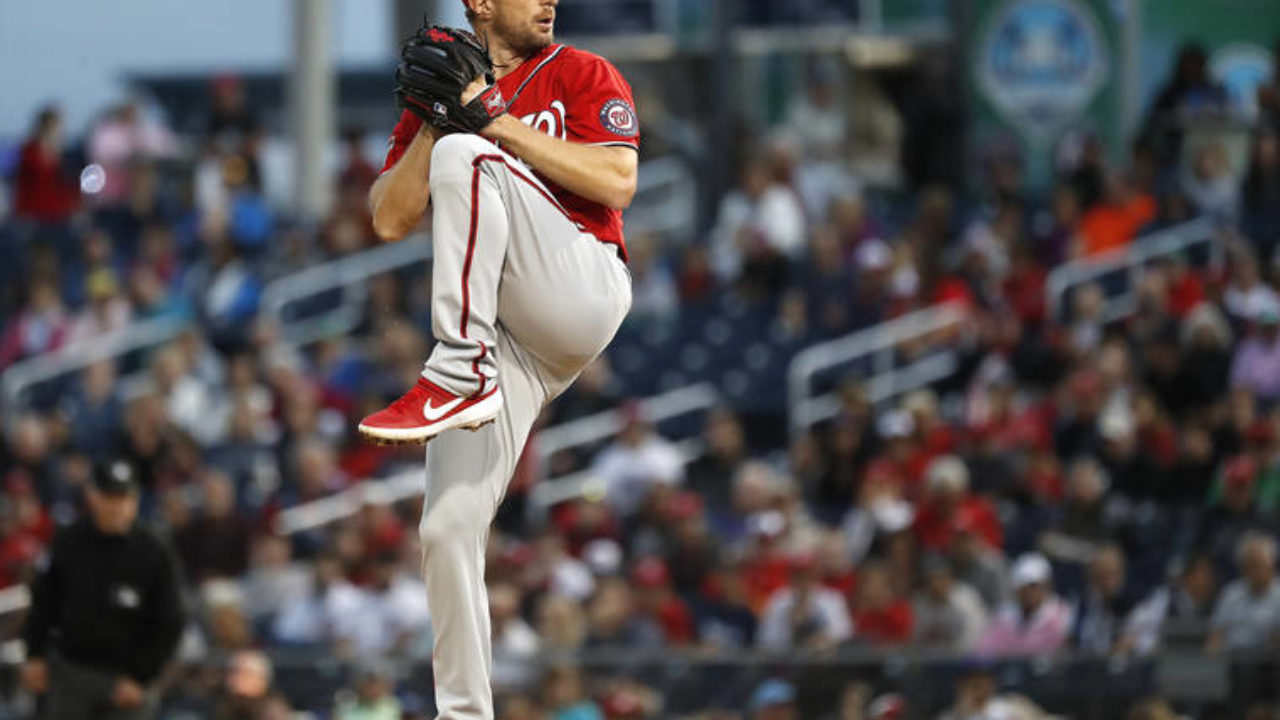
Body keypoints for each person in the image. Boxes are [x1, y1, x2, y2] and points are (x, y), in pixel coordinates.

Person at [355, 3, 637, 716]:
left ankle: (456, 370)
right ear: (480, 1)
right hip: (507, 337)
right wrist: (434, 120)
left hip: (577, 279)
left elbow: (617, 182)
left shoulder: (580, 71)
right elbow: (388, 218)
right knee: (446, 527)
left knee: (466, 153)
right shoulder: (447, 101)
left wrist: (489, 123)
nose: (548, 1)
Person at [21, 460, 186, 720]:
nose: (118, 507)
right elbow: (43, 602)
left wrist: (141, 676)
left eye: (124, 498)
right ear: (92, 496)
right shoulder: (69, 541)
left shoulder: (154, 550)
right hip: (72, 671)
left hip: (126, 678)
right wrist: (35, 654)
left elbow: (171, 620)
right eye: (110, 497)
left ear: (136, 500)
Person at [1206, 532, 1280, 652]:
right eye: (1248, 565)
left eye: (1258, 564)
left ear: (1271, 565)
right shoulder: (1231, 593)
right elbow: (1216, 635)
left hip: (1270, 662)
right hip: (1234, 660)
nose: (1253, 571)